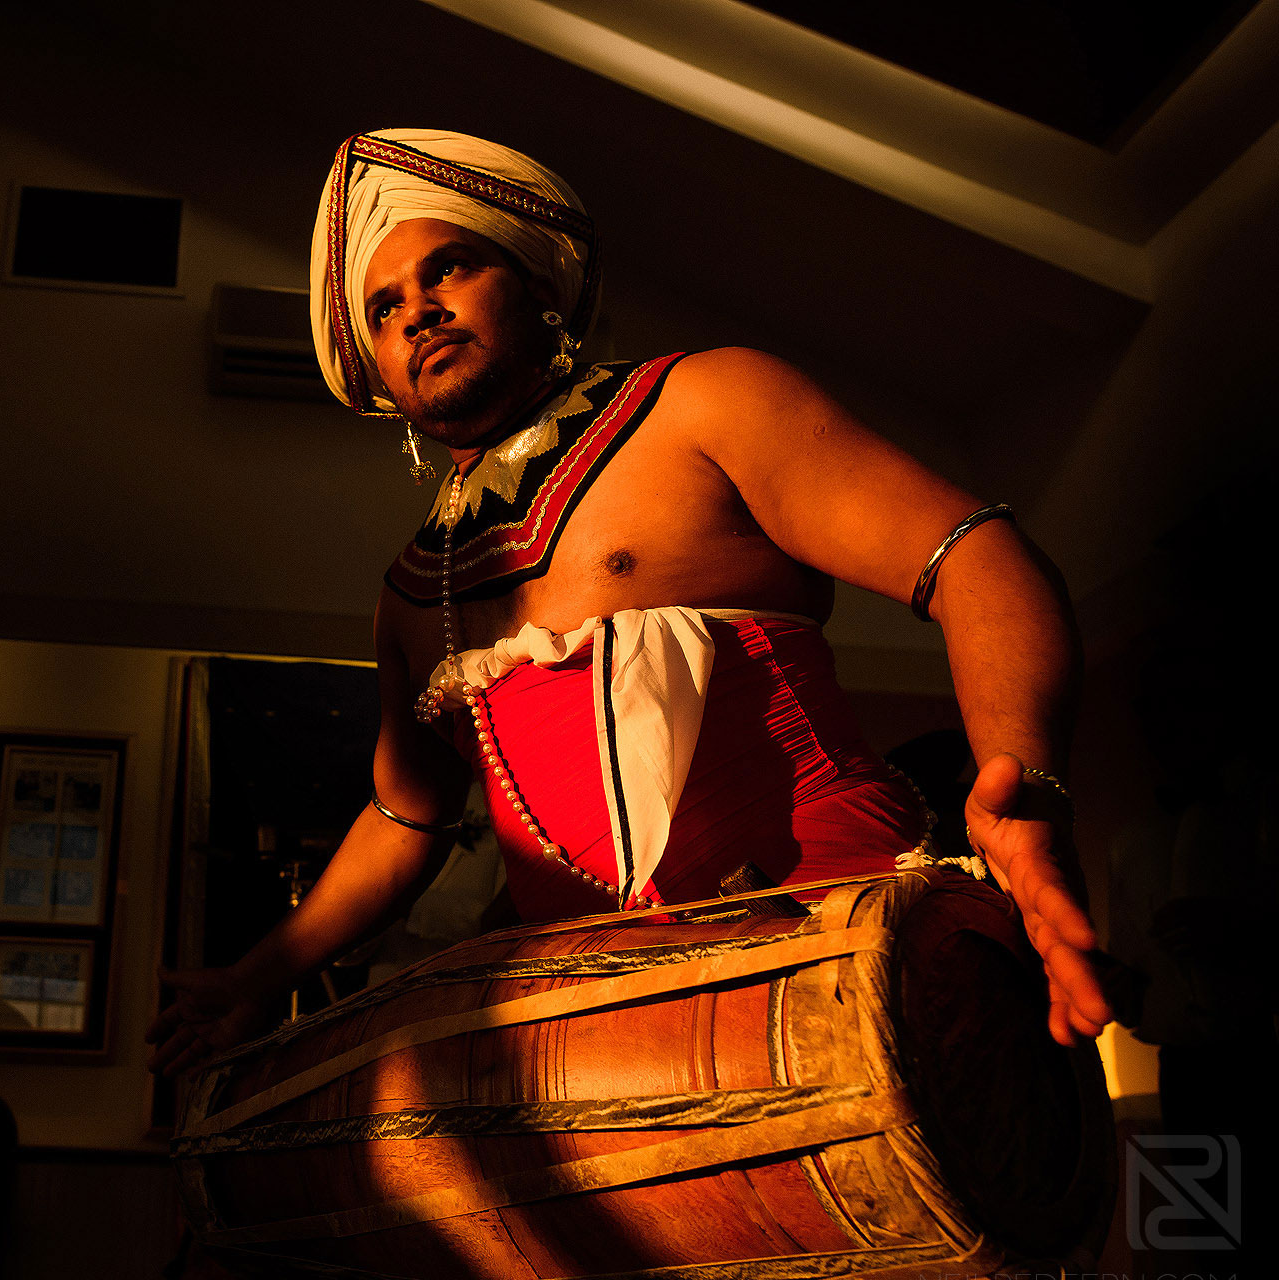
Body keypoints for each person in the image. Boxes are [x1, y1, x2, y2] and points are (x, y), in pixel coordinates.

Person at [149, 128, 1108, 1078]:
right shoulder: (411, 593)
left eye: (452, 267)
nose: (418, 313)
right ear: (374, 368)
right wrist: (257, 975)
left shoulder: (706, 403)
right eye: (385, 306)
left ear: (537, 282)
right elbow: (407, 814)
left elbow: (973, 554)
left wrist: (1029, 797)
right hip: (609, 1040)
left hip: (849, 956)